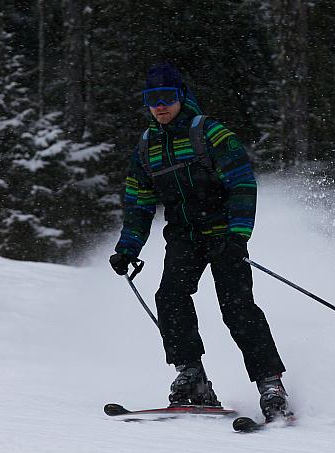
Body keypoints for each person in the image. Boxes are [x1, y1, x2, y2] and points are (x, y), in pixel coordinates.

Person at [109, 63, 292, 422]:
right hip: (184, 235)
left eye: (167, 97)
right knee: (170, 296)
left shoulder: (211, 133)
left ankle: (271, 385)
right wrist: (127, 248)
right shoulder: (147, 146)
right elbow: (139, 201)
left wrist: (238, 236)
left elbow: (242, 184)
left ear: (181, 96)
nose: (160, 106)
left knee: (237, 307)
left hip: (224, 234)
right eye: (151, 99)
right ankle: (192, 377)